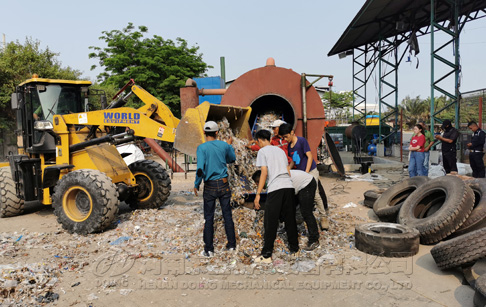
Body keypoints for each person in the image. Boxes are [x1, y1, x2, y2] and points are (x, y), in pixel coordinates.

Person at [253, 129, 299, 263]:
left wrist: (258, 194)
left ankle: (267, 255)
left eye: (258, 142)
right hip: (288, 186)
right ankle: (294, 249)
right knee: (290, 219)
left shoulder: (262, 151)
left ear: (260, 140)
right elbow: (287, 170)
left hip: (276, 188)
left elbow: (264, 172)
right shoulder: (280, 150)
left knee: (270, 221)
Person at [194, 121, 236, 257]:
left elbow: (200, 168)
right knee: (227, 215)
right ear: (217, 132)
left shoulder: (201, 148)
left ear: (205, 133)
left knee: (209, 217)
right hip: (224, 184)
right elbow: (232, 159)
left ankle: (209, 249)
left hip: (210, 185)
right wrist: (229, 147)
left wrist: (196, 184)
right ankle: (231, 245)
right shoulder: (225, 145)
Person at [252, 169, 320, 251]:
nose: (257, 185)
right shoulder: (272, 181)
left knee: (306, 212)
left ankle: (314, 239)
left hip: (306, 183)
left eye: (257, 182)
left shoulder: (274, 182)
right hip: (297, 186)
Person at [279, 123, 329, 230]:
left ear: (292, 132)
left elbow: (310, 157)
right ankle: (300, 217)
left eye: (286, 137)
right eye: (283, 138)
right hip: (301, 173)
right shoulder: (289, 146)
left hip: (310, 171)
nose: (285, 139)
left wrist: (306, 173)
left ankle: (323, 217)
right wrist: (287, 171)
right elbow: (293, 160)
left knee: (315, 194)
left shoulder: (301, 141)